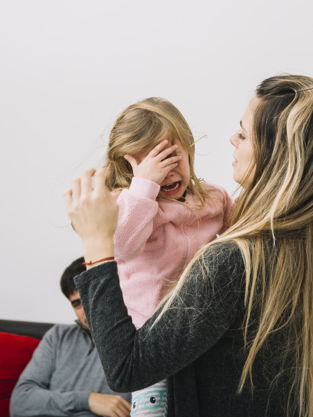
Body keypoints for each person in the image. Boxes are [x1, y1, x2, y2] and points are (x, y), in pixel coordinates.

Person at [64, 75, 313, 417]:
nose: (233, 138)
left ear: (274, 153)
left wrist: (95, 242)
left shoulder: (232, 257)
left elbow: (126, 368)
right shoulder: (293, 245)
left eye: (243, 133)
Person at [100, 97, 232, 414]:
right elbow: (123, 246)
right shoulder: (129, 204)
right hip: (150, 339)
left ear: (189, 151)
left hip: (200, 329)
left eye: (172, 157)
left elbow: (237, 245)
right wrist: (143, 186)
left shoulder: (214, 198)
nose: (166, 173)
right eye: (152, 164)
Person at [10, 257, 131, 417]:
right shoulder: (57, 337)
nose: (85, 310)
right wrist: (88, 400)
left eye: (91, 297)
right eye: (77, 303)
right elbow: (20, 403)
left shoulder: (134, 342)